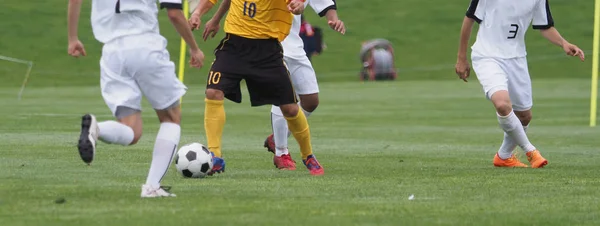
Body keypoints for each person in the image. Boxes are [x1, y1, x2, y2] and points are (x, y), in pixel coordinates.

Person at [67, 0, 205, 197]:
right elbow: (174, 14)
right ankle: (152, 187)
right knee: (171, 118)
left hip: (112, 52)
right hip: (144, 45)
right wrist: (194, 48)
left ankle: (97, 129)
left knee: (133, 130)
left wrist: (72, 38)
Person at [189, 0, 325, 175]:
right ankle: (214, 155)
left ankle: (308, 155)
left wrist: (298, 6)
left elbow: (296, 4)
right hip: (234, 45)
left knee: (290, 108)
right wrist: (199, 14)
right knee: (213, 91)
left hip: (268, 50)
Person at [455, 0, 584, 168]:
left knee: (524, 116)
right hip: (487, 55)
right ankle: (531, 151)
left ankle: (503, 156)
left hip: (517, 59)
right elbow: (469, 20)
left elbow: (545, 26)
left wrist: (564, 43)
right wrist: (461, 58)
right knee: (502, 104)